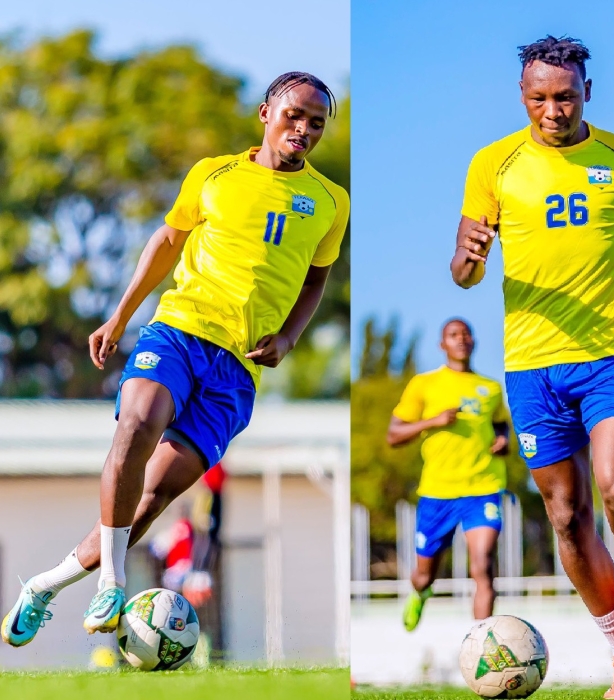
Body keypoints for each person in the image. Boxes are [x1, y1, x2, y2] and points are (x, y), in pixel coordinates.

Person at [2, 72, 348, 645]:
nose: (304, 129)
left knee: (151, 500)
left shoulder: (333, 201)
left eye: (317, 122)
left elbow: (317, 279)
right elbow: (166, 241)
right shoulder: (214, 173)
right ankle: (111, 582)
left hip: (237, 370)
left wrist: (288, 338)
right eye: (294, 115)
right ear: (266, 113)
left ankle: (42, 587)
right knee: (137, 424)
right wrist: (119, 316)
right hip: (180, 331)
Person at [450, 35, 614, 700]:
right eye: (539, 99)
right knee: (565, 514)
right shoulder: (492, 164)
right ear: (521, 96)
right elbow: (463, 273)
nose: (552, 111)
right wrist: (470, 256)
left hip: (612, 354)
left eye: (565, 97)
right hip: (531, 367)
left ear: (587, 92)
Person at [388, 318, 510, 630]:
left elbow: (500, 424)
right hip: (437, 491)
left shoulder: (491, 388)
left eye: (466, 333)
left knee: (483, 565)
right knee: (424, 574)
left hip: (483, 486)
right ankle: (420, 592)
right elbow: (394, 435)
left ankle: (482, 641)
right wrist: (433, 421)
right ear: (442, 344)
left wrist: (503, 439)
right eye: (453, 335)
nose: (461, 339)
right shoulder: (424, 384)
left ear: (474, 341)